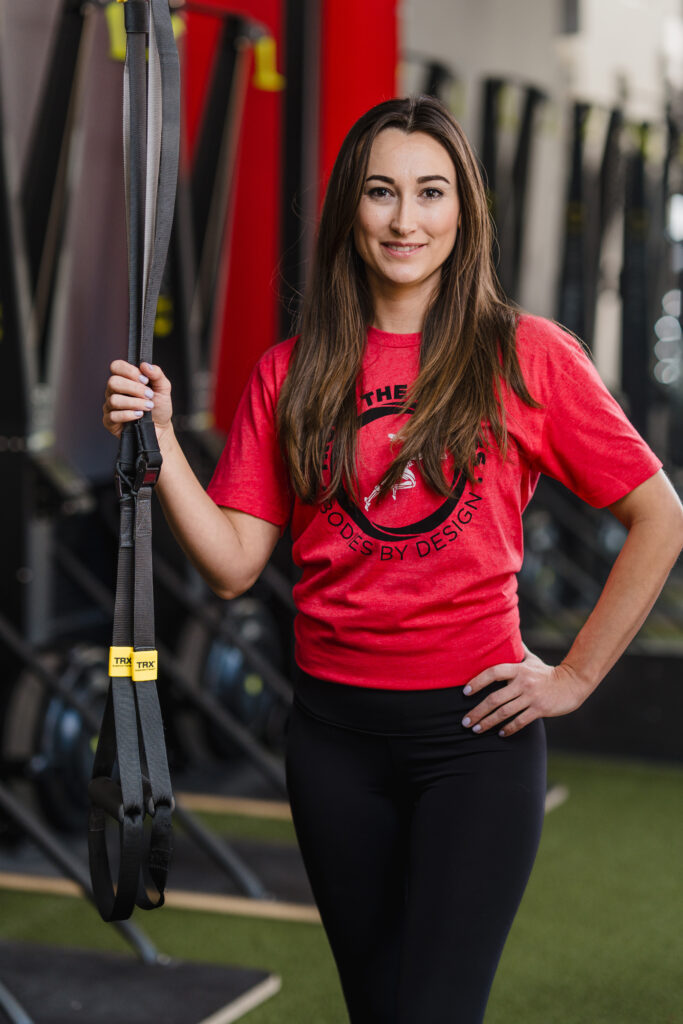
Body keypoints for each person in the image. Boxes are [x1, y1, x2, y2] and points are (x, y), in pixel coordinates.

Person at [103, 96, 683, 1024]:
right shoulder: (292, 372)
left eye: (430, 193)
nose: (405, 220)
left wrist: (574, 677)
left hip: (474, 744)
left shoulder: (524, 355)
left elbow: (659, 515)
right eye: (381, 193)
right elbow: (231, 563)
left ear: (464, 212)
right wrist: (161, 436)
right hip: (332, 744)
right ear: (351, 208)